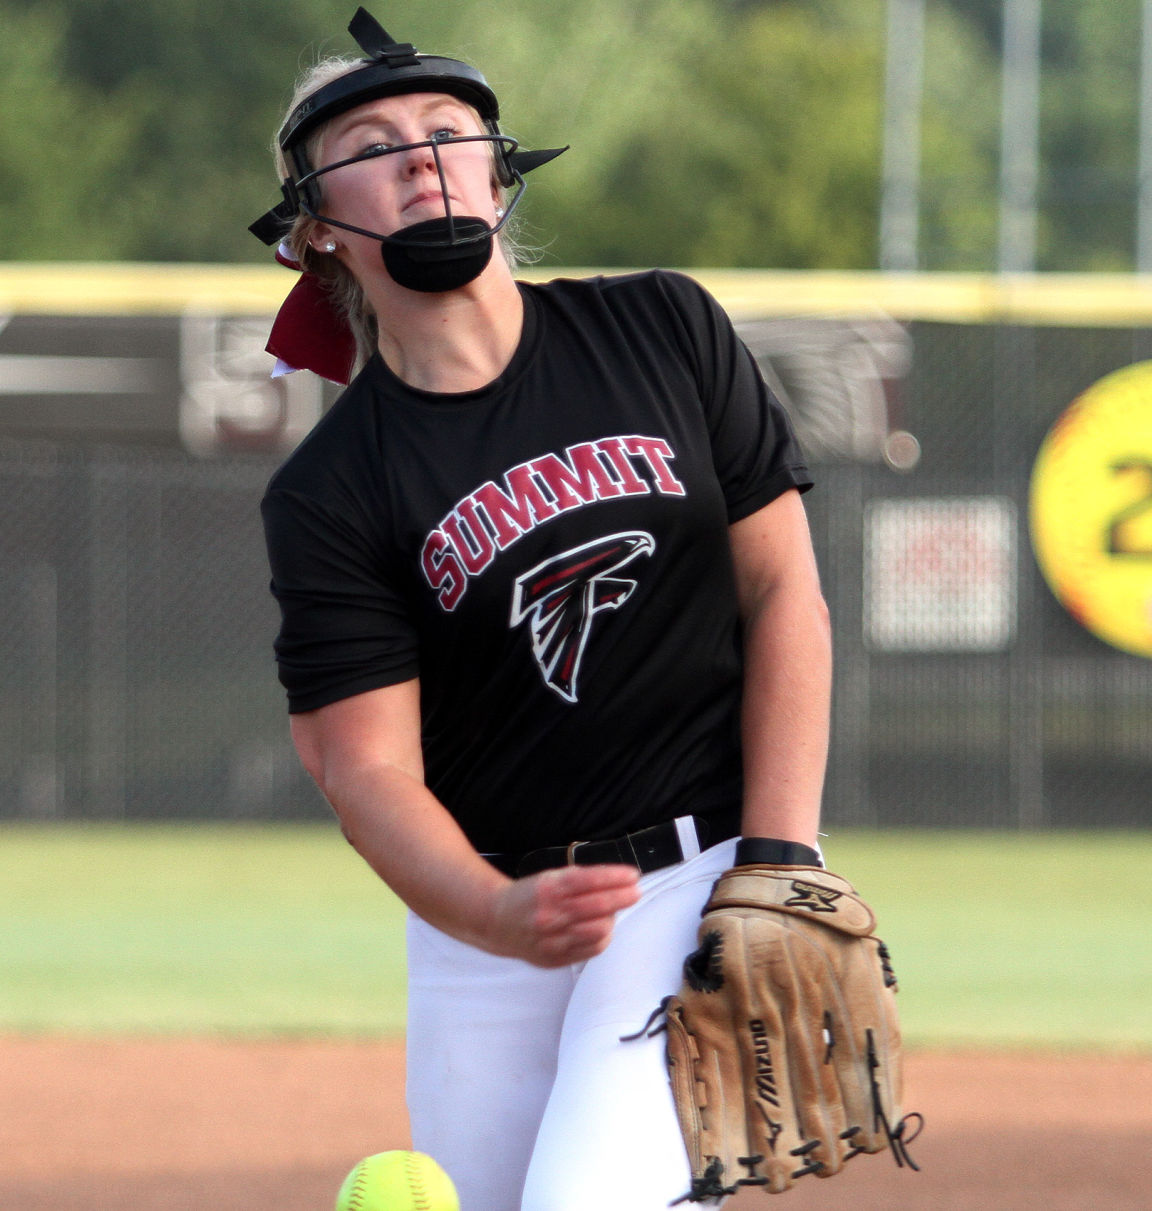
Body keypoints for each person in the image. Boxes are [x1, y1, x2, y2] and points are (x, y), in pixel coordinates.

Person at [253, 10, 834, 1209]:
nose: (420, 156)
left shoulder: (661, 327)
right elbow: (364, 768)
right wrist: (496, 912)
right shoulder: (332, 488)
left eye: (447, 129)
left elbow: (783, 589)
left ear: (497, 168)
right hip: (481, 924)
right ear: (315, 229)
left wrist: (780, 862)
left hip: (697, 877)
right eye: (371, 145)